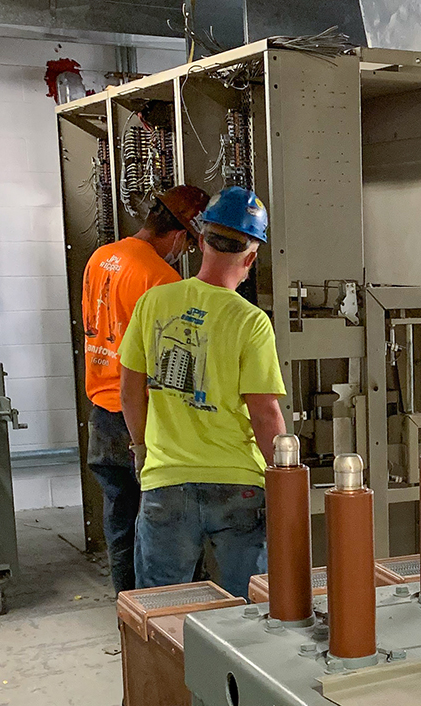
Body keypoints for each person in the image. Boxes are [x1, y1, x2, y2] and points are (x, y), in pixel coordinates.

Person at [119, 186, 287, 598]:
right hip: (238, 485)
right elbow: (265, 414)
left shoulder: (153, 303)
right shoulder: (250, 322)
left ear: (199, 241)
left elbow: (129, 391)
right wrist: (285, 476)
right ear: (251, 257)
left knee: (160, 612)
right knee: (246, 609)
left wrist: (143, 450)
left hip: (165, 481)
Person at [80, 185, 210, 594]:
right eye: (189, 244)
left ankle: (128, 610)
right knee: (162, 527)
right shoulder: (160, 277)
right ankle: (160, 612)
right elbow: (169, 365)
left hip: (101, 412)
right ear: (178, 235)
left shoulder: (102, 257)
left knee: (120, 522)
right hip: (142, 420)